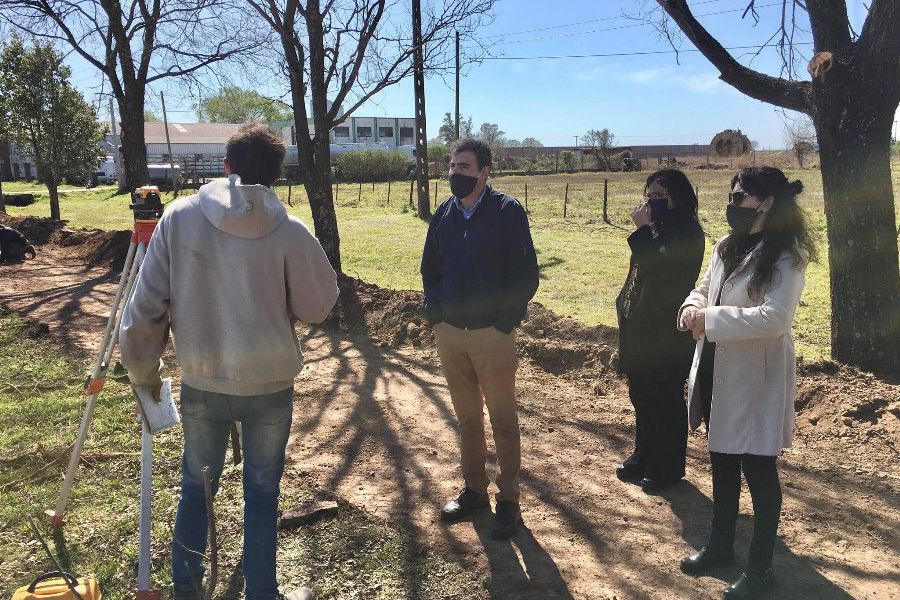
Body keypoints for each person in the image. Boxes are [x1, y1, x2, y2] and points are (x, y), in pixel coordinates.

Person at [120, 124, 338, 600]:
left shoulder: (178, 218)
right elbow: (319, 305)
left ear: (226, 167)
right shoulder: (289, 229)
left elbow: (143, 310)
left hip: (203, 381)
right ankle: (262, 592)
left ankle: (187, 590)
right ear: (277, 176)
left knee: (196, 491)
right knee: (262, 495)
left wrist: (145, 378)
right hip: (269, 387)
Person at [677, 167, 815, 600]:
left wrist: (710, 320)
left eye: (740, 198)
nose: (731, 204)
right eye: (732, 196)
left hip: (757, 375)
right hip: (719, 365)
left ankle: (760, 569)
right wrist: (691, 307)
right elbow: (705, 288)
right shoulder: (726, 246)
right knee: (721, 462)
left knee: (758, 469)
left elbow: (776, 318)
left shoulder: (787, 255)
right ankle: (719, 547)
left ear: (767, 202)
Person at [421, 138, 539, 540]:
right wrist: (437, 318)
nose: (456, 173)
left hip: (493, 334)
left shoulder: (507, 212)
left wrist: (503, 322)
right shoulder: (444, 214)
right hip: (451, 334)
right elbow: (429, 270)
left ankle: (509, 500)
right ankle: (474, 490)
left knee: (503, 419)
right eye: (452, 166)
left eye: (465, 167)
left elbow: (526, 275)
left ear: (485, 170)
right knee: (467, 418)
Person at [615, 169, 705, 493]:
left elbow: (661, 270)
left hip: (667, 331)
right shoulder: (658, 228)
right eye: (649, 196)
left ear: (678, 199)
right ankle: (643, 457)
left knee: (664, 397)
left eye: (660, 197)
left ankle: (667, 468)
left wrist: (641, 231)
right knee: (640, 394)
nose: (652, 203)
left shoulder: (688, 233)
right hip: (640, 326)